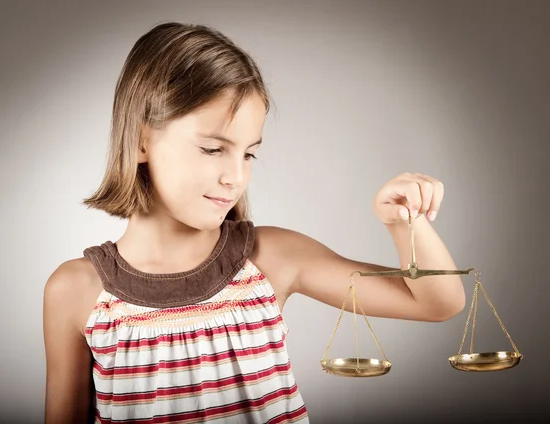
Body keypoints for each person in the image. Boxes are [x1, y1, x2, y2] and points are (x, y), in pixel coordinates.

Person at [43, 21, 466, 424]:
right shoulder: (76, 291)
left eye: (248, 153)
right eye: (213, 149)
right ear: (139, 140)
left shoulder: (269, 258)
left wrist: (403, 223)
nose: (236, 177)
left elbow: (436, 302)